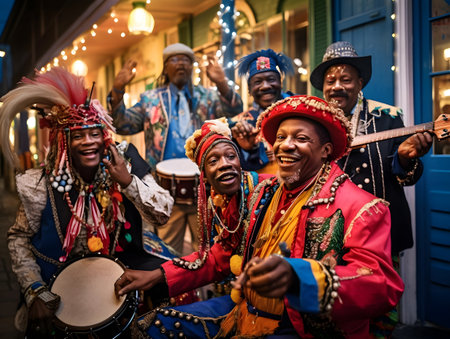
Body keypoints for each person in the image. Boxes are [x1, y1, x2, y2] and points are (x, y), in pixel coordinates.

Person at [115, 95, 404, 338]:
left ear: (326, 150)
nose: (286, 145)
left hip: (303, 328)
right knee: (149, 327)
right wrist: (158, 275)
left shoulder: (362, 206)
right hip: (243, 310)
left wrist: (297, 276)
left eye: (301, 138)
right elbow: (221, 257)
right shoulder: (263, 193)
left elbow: (381, 285)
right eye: (280, 137)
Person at [0, 68, 175, 337]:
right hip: (59, 284)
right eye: (78, 135)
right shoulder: (40, 183)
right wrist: (34, 289)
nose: (88, 142)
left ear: (105, 136)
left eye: (94, 133)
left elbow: (163, 212)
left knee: (174, 288)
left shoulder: (124, 159)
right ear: (63, 141)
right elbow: (19, 239)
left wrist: (128, 182)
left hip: (121, 275)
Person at [109, 42, 243, 254]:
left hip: (205, 188)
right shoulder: (150, 99)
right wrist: (117, 91)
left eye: (186, 60)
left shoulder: (207, 97)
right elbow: (122, 124)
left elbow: (235, 108)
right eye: (174, 59)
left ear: (192, 66)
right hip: (165, 190)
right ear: (165, 67)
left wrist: (222, 83)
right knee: (169, 253)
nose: (181, 64)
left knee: (209, 251)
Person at [310, 41, 433, 257]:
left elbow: (409, 176)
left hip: (380, 232)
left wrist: (404, 158)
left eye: (345, 80)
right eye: (330, 81)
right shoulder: (314, 122)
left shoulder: (387, 116)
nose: (337, 86)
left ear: (359, 83)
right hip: (327, 233)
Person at [229, 49, 295, 173]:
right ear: (249, 90)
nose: (265, 86)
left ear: (280, 83)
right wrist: (248, 149)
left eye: (271, 79)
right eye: (258, 82)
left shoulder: (300, 108)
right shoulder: (241, 124)